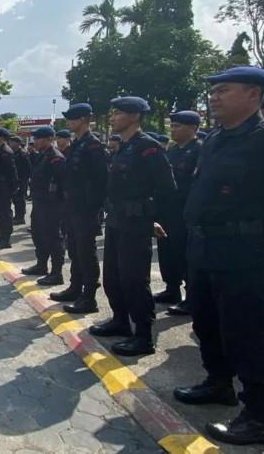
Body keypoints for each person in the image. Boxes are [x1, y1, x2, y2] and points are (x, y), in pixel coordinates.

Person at [173, 66, 264, 446]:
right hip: (205, 248)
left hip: (247, 254)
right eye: (213, 91)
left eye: (224, 90)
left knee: (248, 334)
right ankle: (218, 383)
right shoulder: (215, 139)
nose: (214, 97)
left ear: (253, 95)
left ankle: (260, 417)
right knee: (207, 323)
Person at [89, 96, 176, 357]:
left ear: (135, 116)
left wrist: (152, 219)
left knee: (134, 280)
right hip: (117, 221)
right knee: (113, 276)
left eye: (118, 113)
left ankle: (143, 336)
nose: (112, 117)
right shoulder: (124, 147)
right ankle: (120, 320)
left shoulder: (148, 147)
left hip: (136, 224)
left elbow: (166, 189)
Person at [50, 104, 108, 316]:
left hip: (86, 209)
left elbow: (102, 180)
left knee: (86, 253)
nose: (69, 122)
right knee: (74, 250)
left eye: (72, 118)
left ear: (83, 119)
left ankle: (89, 297)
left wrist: (94, 208)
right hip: (72, 207)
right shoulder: (77, 144)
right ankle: (75, 288)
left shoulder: (93, 145)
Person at [153, 111, 201, 316]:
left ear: (193, 128)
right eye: (172, 126)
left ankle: (192, 298)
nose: (173, 130)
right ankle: (172, 289)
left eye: (178, 126)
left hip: (185, 212)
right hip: (168, 211)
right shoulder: (172, 151)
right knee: (167, 252)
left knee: (186, 255)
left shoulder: (199, 151)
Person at [22, 126, 66, 285]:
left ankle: (56, 273)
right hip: (40, 203)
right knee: (38, 235)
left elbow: (62, 183)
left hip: (52, 206)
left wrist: (57, 204)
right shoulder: (42, 156)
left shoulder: (56, 157)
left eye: (38, 138)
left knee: (53, 238)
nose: (35, 142)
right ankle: (41, 265)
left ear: (49, 139)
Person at [0, 128, 18, 249]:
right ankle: (1, 236)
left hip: (4, 188)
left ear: (1, 137)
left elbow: (12, 173)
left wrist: (11, 189)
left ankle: (6, 240)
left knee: (5, 214)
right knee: (0, 213)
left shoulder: (6, 152)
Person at [9, 136, 31, 225]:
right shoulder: (13, 153)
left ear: (17, 143)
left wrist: (23, 180)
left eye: (12, 142)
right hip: (15, 180)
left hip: (21, 181)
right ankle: (17, 216)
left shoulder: (22, 154)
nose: (10, 144)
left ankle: (20, 218)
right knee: (15, 199)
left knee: (20, 200)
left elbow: (27, 169)